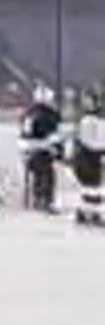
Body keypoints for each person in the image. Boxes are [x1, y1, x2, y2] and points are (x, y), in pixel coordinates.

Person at [19, 84, 63, 212]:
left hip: (27, 151)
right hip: (39, 151)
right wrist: (58, 151)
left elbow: (25, 134)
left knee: (39, 172)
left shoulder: (28, 113)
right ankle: (45, 199)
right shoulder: (47, 115)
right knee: (47, 173)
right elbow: (52, 136)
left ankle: (38, 197)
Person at [71, 86, 105, 227]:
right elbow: (88, 141)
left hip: (91, 155)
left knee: (93, 186)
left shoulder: (95, 119)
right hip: (87, 155)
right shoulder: (87, 119)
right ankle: (88, 212)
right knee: (90, 185)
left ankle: (86, 211)